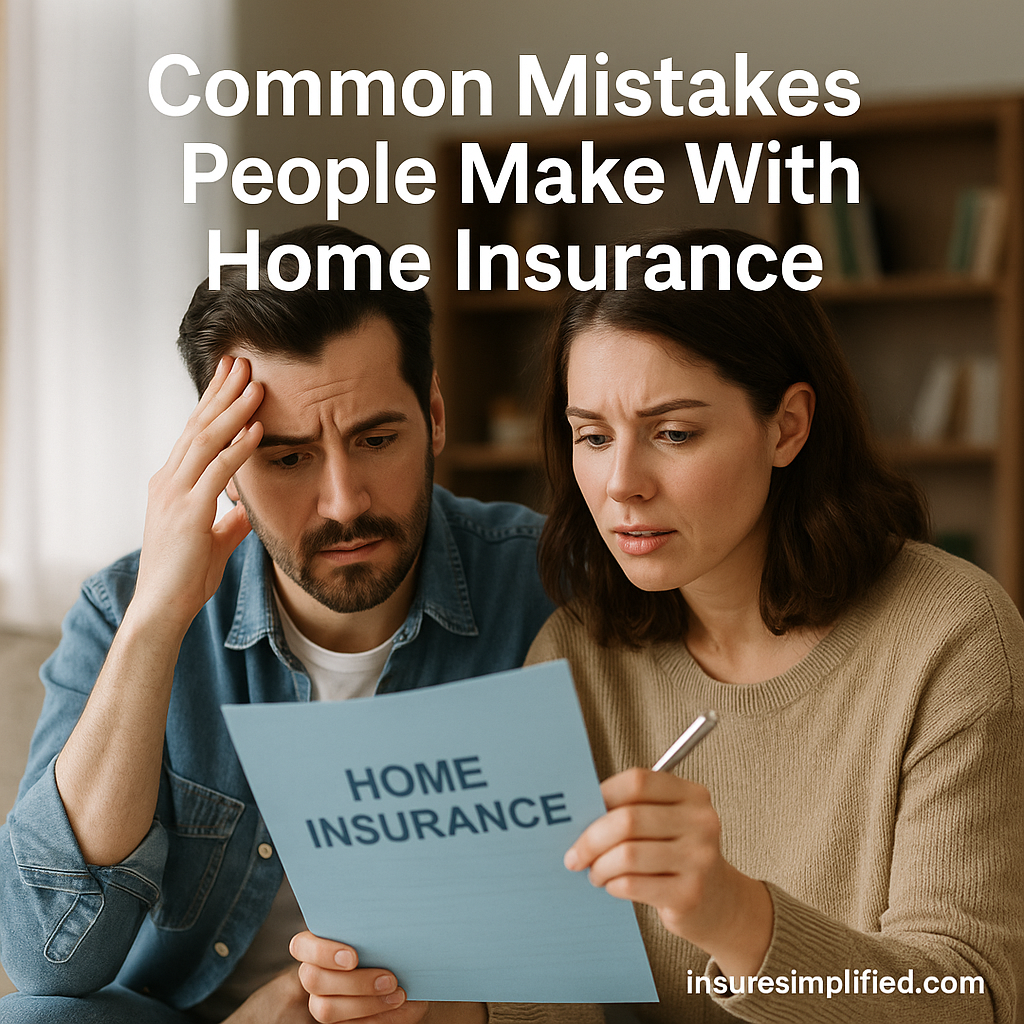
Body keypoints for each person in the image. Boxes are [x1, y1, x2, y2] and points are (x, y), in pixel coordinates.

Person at [295, 226, 1023, 1024]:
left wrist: (735, 917)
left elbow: (972, 997)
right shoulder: (576, 652)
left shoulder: (949, 635)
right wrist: (430, 1010)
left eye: (674, 433)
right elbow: (552, 1005)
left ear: (787, 426)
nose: (621, 485)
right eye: (593, 437)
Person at [0, 224, 552, 1024]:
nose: (343, 502)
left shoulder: (544, 586)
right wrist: (156, 620)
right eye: (287, 457)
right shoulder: (124, 608)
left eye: (376, 439)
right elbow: (47, 957)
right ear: (221, 464)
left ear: (433, 416)